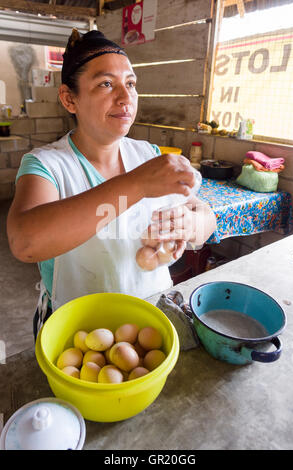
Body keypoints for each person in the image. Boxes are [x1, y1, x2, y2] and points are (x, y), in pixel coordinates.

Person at [7, 29, 216, 339]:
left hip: (150, 316)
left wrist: (190, 222)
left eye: (130, 84)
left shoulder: (149, 155)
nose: (125, 97)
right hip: (78, 332)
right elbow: (25, 243)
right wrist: (138, 185)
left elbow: (206, 217)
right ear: (69, 99)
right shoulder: (48, 165)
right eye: (106, 84)